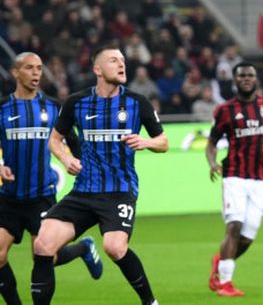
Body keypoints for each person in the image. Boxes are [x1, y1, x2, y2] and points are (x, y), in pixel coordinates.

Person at [30, 44, 168, 305]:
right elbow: (55, 139)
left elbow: (163, 141)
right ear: (98, 69)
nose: (121, 64)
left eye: (123, 60)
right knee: (42, 245)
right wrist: (66, 158)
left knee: (114, 247)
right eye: (114, 60)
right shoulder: (76, 102)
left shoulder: (138, 103)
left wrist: (146, 142)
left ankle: (150, 302)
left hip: (119, 190)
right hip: (83, 191)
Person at [0, 53, 103, 305]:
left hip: (41, 196)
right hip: (8, 197)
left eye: (39, 69)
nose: (36, 73)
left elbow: (75, 142)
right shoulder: (3, 108)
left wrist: (83, 166)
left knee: (46, 257)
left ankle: (82, 248)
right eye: (29, 68)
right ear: (15, 73)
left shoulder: (55, 107)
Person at [206, 62, 263, 297]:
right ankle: (225, 284)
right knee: (234, 225)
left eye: (250, 75)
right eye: (242, 76)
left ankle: (220, 263)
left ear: (256, 79)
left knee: (247, 238)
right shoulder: (224, 110)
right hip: (234, 177)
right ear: (235, 80)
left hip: (259, 179)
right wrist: (213, 163)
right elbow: (211, 142)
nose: (246, 79)